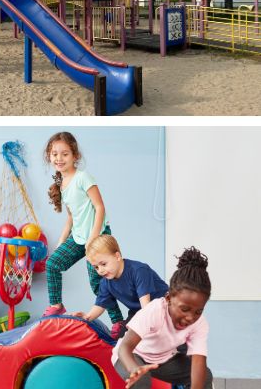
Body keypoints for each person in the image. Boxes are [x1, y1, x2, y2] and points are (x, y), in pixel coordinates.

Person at [41, 132, 126, 338]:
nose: (59, 158)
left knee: (98, 282)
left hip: (97, 236)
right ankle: (56, 305)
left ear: (75, 156)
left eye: (65, 154)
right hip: (79, 238)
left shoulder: (83, 177)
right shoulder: (62, 184)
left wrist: (94, 238)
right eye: (54, 154)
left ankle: (118, 322)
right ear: (49, 157)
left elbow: (100, 207)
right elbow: (71, 218)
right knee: (52, 264)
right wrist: (62, 242)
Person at [114, 247, 213, 389]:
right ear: (168, 298)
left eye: (198, 311)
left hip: (162, 360)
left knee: (205, 376)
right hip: (132, 356)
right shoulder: (155, 310)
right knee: (142, 378)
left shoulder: (199, 324)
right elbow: (125, 348)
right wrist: (134, 369)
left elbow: (198, 364)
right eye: (184, 309)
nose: (191, 317)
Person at [71, 235, 168, 339]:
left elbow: (147, 308)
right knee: (122, 340)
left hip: (163, 307)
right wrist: (86, 317)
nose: (100, 270)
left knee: (153, 336)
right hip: (138, 311)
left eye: (103, 264)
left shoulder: (138, 270)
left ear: (117, 256)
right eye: (96, 267)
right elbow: (100, 305)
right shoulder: (105, 282)